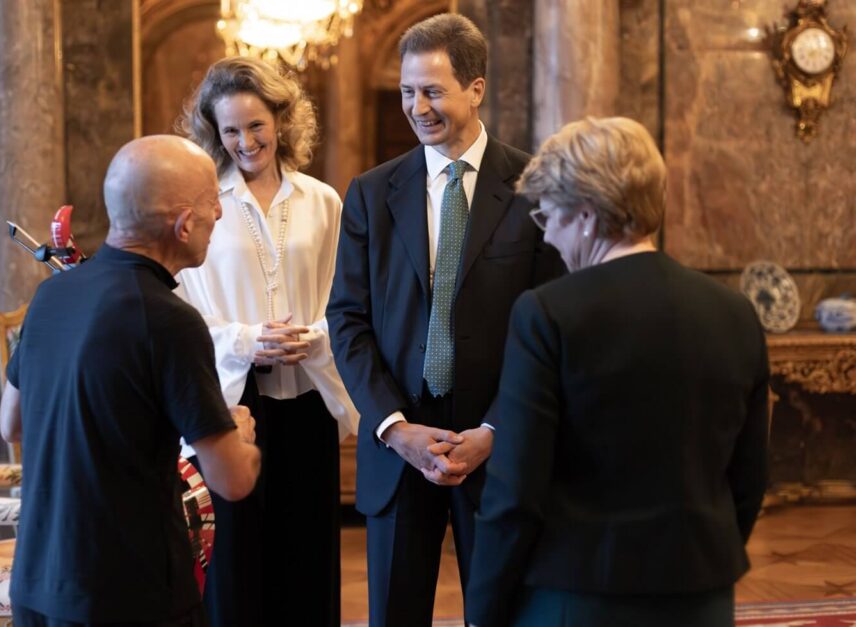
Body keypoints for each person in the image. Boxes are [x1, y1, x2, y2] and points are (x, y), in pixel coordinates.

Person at [465, 117, 770, 627]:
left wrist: (483, 605)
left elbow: (516, 489)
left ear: (585, 214)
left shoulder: (548, 313)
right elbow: (748, 476)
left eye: (550, 217)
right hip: (700, 593)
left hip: (578, 594)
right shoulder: (734, 312)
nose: (551, 238)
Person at [326, 13, 564, 627]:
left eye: (432, 90)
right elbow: (347, 320)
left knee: (504, 614)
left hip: (497, 451)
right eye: (408, 91)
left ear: (476, 88)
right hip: (399, 453)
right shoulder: (372, 194)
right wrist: (394, 427)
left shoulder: (534, 188)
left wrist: (495, 429)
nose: (417, 107)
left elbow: (552, 329)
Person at [0, 135, 262, 627]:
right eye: (212, 204)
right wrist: (239, 435)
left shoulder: (51, 295)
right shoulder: (171, 320)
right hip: (127, 592)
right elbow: (233, 479)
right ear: (184, 224)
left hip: (37, 584)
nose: (219, 216)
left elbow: (11, 424)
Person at [176, 56, 359, 627]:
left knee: (307, 554)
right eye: (229, 130)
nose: (244, 141)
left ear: (281, 120)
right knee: (235, 561)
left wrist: (316, 336)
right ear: (213, 131)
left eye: (256, 125)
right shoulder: (201, 205)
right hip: (233, 405)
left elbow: (344, 300)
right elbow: (182, 317)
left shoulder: (322, 200)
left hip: (309, 400)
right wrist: (248, 341)